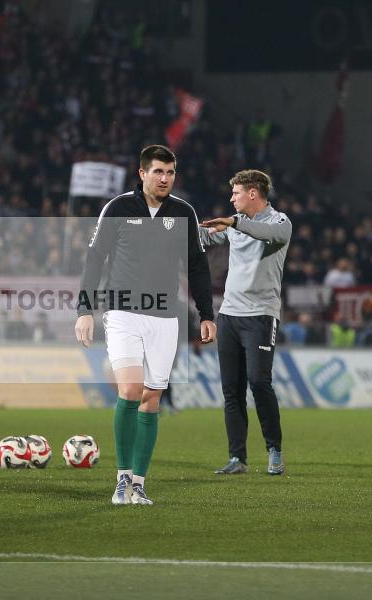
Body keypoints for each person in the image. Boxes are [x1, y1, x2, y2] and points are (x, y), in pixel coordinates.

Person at [74, 145, 216, 506]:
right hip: (122, 313)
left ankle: (139, 482)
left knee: (152, 398)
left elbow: (198, 266)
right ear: (142, 174)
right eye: (158, 172)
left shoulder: (183, 212)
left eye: (170, 173)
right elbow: (95, 259)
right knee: (131, 390)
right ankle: (121, 480)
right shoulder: (118, 208)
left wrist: (206, 314)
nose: (165, 179)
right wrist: (84, 309)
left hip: (165, 317)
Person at [199, 169, 290, 476]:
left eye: (236, 193)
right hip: (229, 315)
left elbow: (263, 234)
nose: (231, 198)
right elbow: (204, 238)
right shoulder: (233, 225)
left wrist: (234, 222)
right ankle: (237, 458)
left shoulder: (280, 222)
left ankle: (274, 449)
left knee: (259, 382)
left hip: (261, 316)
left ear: (253, 193)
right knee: (231, 390)